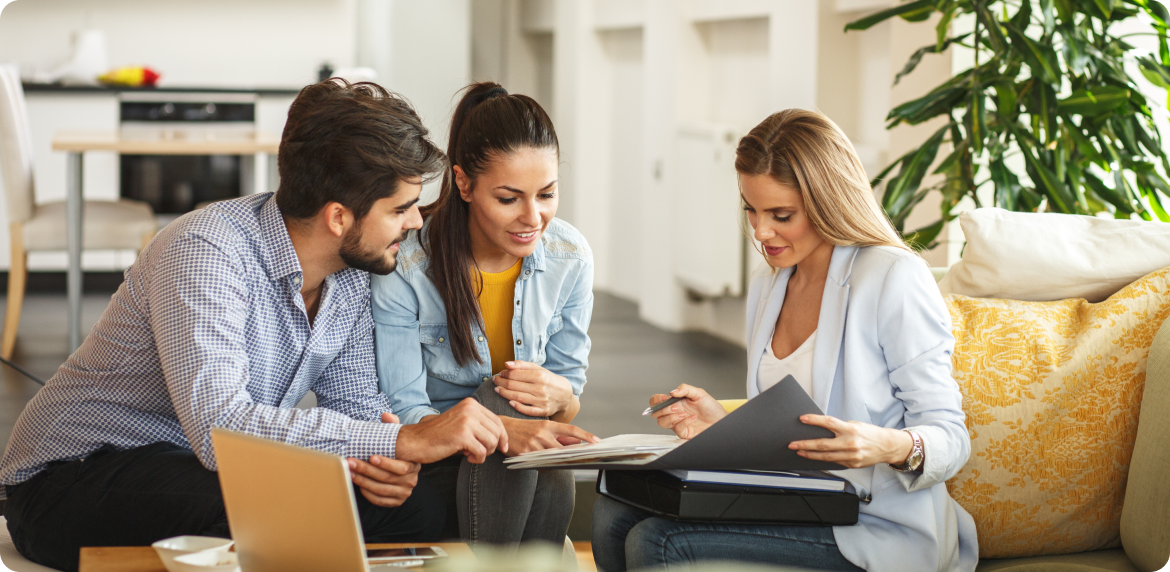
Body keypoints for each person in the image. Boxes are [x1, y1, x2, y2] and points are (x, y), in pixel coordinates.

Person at [0, 80, 510, 572]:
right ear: (338, 217)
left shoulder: (353, 274)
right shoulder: (206, 251)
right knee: (273, 510)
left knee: (416, 508)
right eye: (400, 208)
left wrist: (385, 464)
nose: (417, 222)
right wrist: (402, 443)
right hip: (71, 477)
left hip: (199, 468)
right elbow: (219, 428)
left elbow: (358, 410)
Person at [592, 109, 978, 572]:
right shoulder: (770, 281)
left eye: (781, 215)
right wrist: (724, 425)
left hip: (874, 525)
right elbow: (789, 422)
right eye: (750, 210)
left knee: (659, 542)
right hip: (797, 503)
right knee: (613, 513)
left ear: (828, 201)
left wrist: (887, 446)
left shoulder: (893, 277)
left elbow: (951, 438)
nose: (760, 232)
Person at [372, 82, 596, 548]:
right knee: (498, 400)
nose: (533, 217)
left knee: (541, 449)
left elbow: (567, 401)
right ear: (464, 183)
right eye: (509, 198)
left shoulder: (569, 256)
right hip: (439, 460)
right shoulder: (408, 264)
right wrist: (502, 429)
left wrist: (559, 395)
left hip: (525, 465)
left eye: (547, 194)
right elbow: (404, 410)